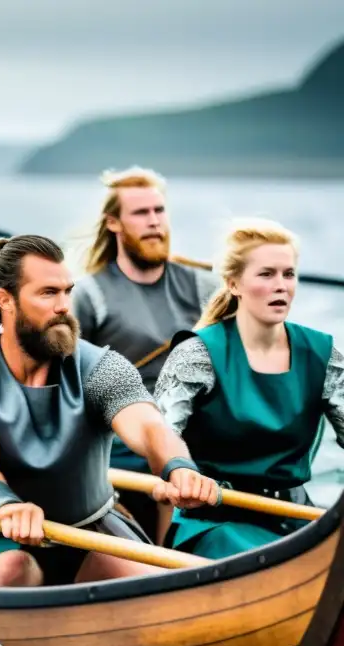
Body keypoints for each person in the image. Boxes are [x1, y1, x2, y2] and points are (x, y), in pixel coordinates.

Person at [0, 234, 220, 588]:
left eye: (67, 291)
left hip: (91, 530)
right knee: (10, 570)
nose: (64, 305)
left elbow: (148, 427)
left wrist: (180, 468)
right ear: (6, 300)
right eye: (48, 293)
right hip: (0, 536)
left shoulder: (102, 367)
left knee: (167, 591)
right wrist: (6, 505)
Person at [154, 218, 344, 559]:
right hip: (215, 520)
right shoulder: (197, 354)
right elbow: (160, 434)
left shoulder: (323, 355)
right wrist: (181, 471)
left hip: (297, 520)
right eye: (266, 274)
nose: (281, 286)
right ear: (233, 283)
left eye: (289, 274)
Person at [71, 166, 220, 543]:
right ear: (114, 224)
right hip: (123, 443)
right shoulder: (89, 296)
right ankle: (168, 564)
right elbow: (66, 388)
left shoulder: (206, 288)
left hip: (197, 433)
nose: (154, 221)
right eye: (141, 213)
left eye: (159, 210)